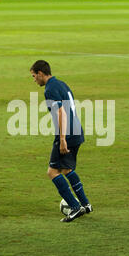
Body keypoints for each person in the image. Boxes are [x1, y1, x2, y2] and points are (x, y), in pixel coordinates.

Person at [30, 60, 92, 223]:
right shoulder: (62, 84)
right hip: (77, 131)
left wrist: (63, 139)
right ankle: (85, 204)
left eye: (34, 76)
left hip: (67, 134)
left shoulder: (50, 89)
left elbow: (61, 113)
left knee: (52, 172)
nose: (34, 79)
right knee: (66, 169)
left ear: (41, 73)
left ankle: (74, 207)